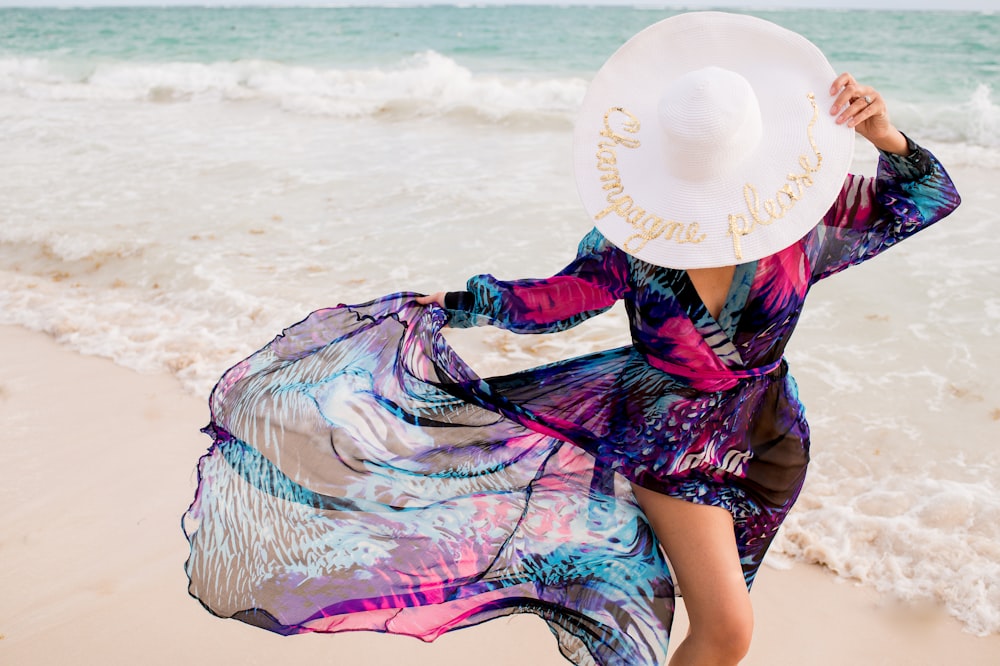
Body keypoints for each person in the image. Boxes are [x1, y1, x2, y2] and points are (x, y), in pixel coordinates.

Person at [183, 12, 960, 666]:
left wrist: (885, 134)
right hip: (668, 439)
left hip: (767, 439)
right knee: (727, 631)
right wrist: (457, 303)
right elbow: (556, 299)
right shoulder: (637, 236)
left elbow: (930, 195)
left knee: (708, 617)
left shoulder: (806, 215)